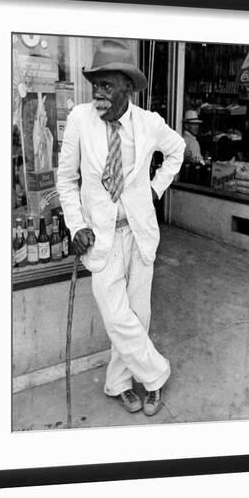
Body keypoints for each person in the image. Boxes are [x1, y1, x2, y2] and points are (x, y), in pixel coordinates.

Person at [57, 39, 185, 416]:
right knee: (117, 315)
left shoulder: (149, 124)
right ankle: (156, 375)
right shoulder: (81, 119)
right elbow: (65, 181)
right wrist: (75, 224)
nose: (98, 92)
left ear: (128, 87)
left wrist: (156, 189)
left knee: (137, 315)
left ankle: (119, 384)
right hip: (101, 237)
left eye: (107, 85)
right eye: (95, 84)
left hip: (140, 233)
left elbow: (176, 150)